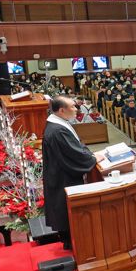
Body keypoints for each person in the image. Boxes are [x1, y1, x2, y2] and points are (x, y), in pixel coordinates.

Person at [42, 96, 103, 249]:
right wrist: (92, 158)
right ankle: (74, 246)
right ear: (62, 110)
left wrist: (88, 154)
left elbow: (76, 145)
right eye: (73, 107)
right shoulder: (57, 131)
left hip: (62, 175)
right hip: (62, 179)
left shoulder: (59, 123)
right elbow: (73, 153)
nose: (76, 109)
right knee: (67, 214)